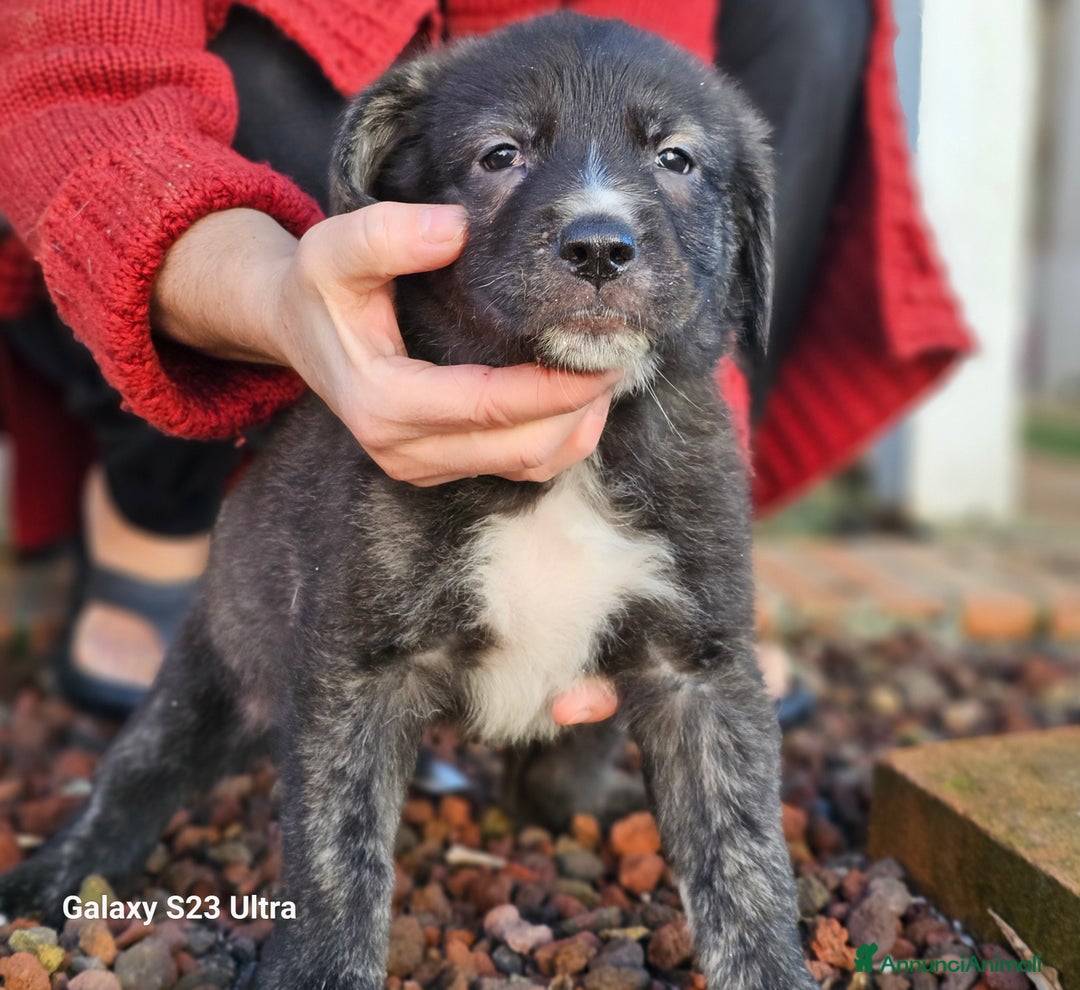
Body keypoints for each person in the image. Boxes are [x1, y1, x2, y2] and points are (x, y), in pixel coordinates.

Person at [0, 0, 972, 721]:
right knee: (287, 71)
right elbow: (79, 76)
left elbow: (634, 105)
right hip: (265, 205)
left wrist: (673, 499)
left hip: (611, 328)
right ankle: (162, 504)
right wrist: (269, 291)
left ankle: (603, 528)